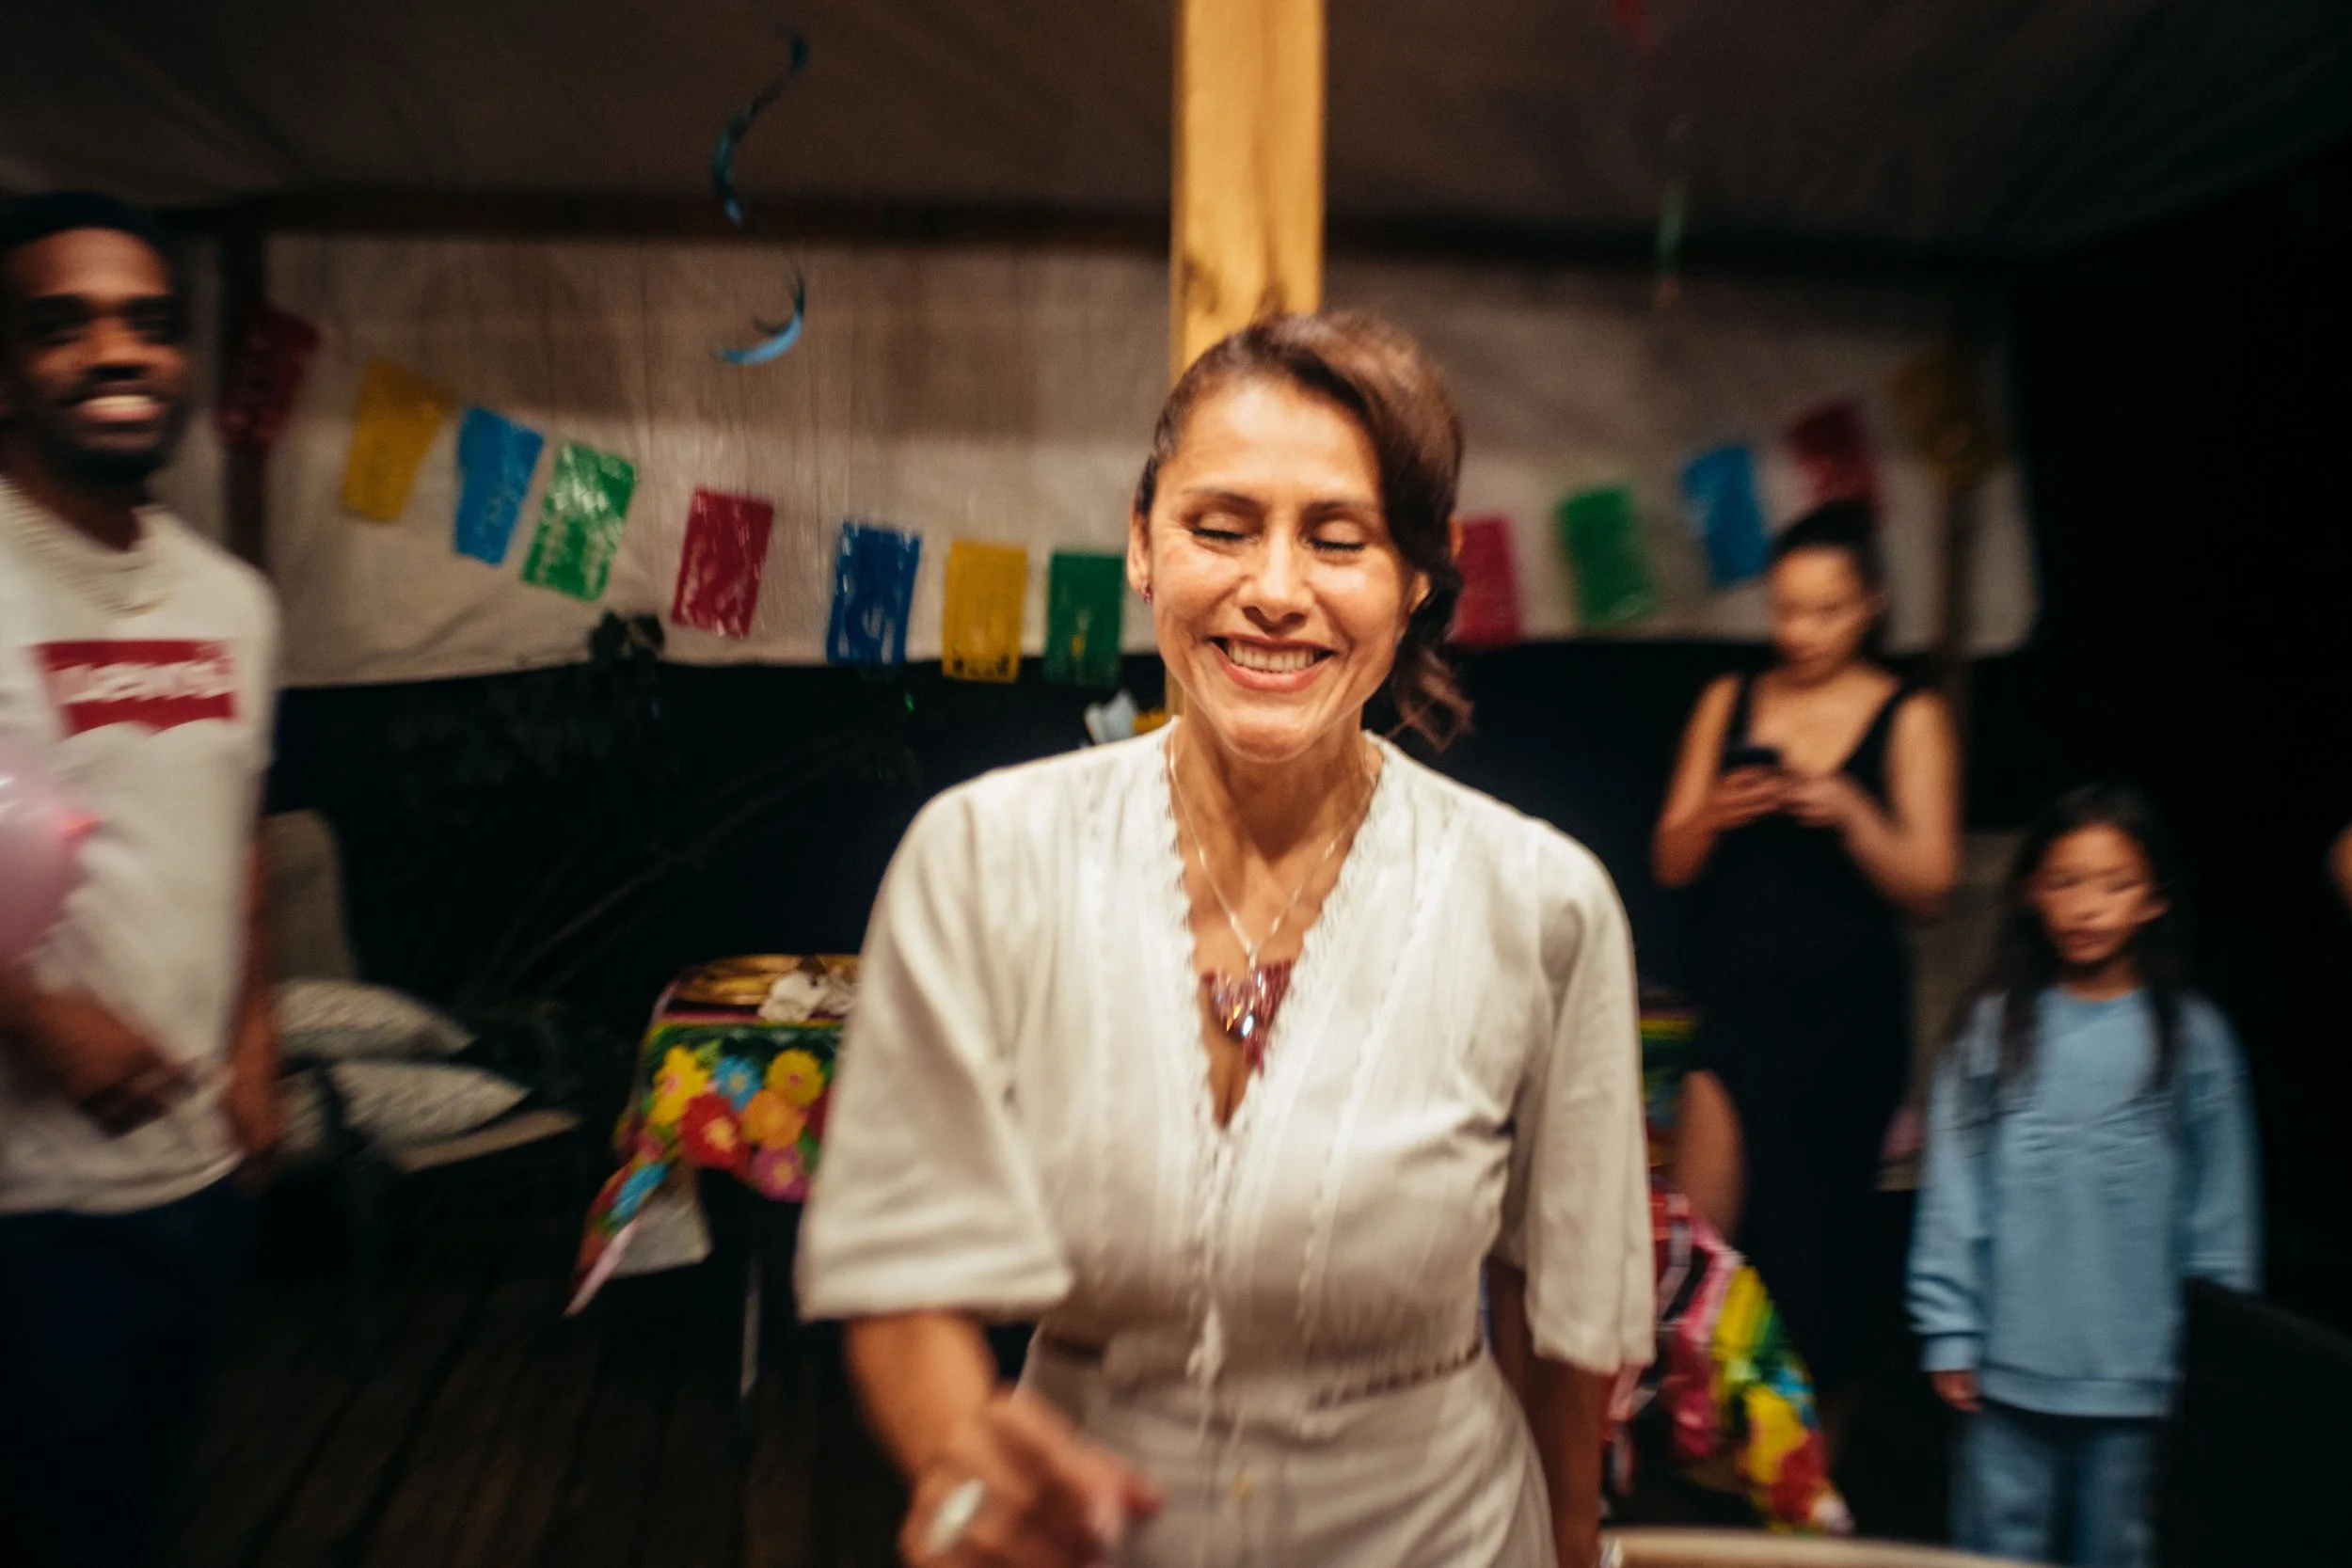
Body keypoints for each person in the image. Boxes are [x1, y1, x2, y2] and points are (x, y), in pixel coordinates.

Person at [796, 312, 1653, 1568]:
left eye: (1339, 538)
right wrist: (963, 1454)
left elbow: (1559, 1310)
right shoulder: (984, 857)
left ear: (1420, 574)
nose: (1276, 590)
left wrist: (1573, 1547)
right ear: (1143, 543)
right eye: (1221, 526)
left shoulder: (1540, 904)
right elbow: (902, 1256)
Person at [0, 193, 282, 1568]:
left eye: (149, 324)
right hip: (21, 1193)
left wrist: (257, 1043)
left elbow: (235, 836)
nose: (117, 351)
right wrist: (31, 1009)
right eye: (64, 325)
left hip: (187, 1172)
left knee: (132, 1510)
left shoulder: (232, 601)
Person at [1651, 499, 1958, 1406]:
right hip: (1736, 1013)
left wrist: (1849, 811)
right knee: (1699, 1253)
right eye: (1786, 608)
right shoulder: (1730, 699)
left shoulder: (1910, 714)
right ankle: (1698, 1446)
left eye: (1826, 610)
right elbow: (1670, 860)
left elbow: (1930, 886)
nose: (1800, 630)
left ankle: (1815, 1462)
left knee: (1817, 1267)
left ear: (1870, 605)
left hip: (1847, 1031)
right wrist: (1718, 810)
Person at [1909, 784, 2260, 1568]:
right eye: (2065, 881)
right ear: (2030, 891)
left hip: (2139, 1376)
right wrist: (1950, 1326)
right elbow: (1955, 1191)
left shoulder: (2193, 1038)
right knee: (1995, 1551)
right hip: (2003, 1372)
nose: (2087, 904)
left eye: (2114, 882)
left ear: (2155, 899)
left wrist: (2216, 1350)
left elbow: (2221, 1209)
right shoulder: (1992, 1029)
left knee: (2119, 1550)